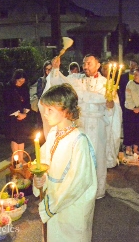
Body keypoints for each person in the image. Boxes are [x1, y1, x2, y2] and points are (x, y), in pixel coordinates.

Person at [40, 54, 121, 199]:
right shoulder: (76, 79)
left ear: (98, 64)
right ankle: (81, 190)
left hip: (98, 126)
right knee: (81, 158)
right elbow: (59, 82)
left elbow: (113, 108)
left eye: (89, 63)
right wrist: (56, 69)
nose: (85, 66)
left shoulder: (107, 83)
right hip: (81, 124)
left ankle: (97, 191)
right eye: (84, 63)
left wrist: (110, 106)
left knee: (98, 158)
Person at [33, 83, 97, 242]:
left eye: (50, 110)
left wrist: (51, 205)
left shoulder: (79, 141)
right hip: (55, 201)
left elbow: (78, 182)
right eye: (45, 109)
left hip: (71, 206)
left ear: (66, 111)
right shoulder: (53, 133)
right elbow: (43, 162)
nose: (45, 114)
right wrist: (40, 178)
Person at [3, 69, 31, 163]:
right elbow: (7, 104)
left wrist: (25, 113)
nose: (21, 83)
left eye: (23, 81)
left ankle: (21, 158)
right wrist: (18, 114)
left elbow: (27, 101)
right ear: (15, 79)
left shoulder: (25, 88)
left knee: (22, 137)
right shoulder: (9, 88)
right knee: (15, 137)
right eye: (19, 81)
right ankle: (16, 159)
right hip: (13, 117)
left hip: (22, 116)